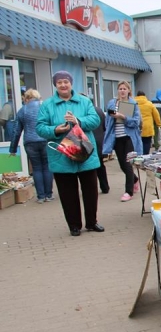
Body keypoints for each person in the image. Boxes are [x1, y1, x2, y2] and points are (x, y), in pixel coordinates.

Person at [36, 70, 103, 236]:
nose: (63, 85)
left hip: (84, 152)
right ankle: (74, 225)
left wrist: (78, 121)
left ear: (71, 83)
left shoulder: (84, 101)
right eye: (59, 82)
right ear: (55, 85)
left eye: (66, 81)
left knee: (90, 191)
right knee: (67, 193)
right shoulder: (47, 105)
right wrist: (55, 129)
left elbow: (96, 120)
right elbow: (40, 127)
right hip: (62, 156)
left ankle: (92, 222)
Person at [9, 89, 54, 203]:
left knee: (37, 168)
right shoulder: (45, 107)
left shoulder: (22, 110)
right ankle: (49, 195)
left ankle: (40, 196)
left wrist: (13, 149)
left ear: (27, 98)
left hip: (30, 142)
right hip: (45, 140)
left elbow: (16, 131)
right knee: (47, 166)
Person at [103, 81, 142, 202]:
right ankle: (135, 180)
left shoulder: (132, 103)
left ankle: (128, 192)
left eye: (125, 89)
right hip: (116, 137)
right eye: (120, 88)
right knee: (121, 164)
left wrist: (123, 117)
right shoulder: (112, 103)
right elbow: (108, 121)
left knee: (127, 163)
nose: (122, 91)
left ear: (129, 90)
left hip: (129, 137)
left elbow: (136, 122)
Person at [79, 93, 109, 194]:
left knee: (88, 167)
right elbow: (105, 127)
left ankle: (90, 189)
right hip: (99, 141)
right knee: (100, 165)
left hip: (87, 142)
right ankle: (105, 187)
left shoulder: (81, 113)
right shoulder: (99, 110)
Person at [135, 90, 161, 155]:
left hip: (137, 126)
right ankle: (145, 155)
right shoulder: (149, 104)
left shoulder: (134, 103)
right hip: (147, 126)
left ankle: (139, 155)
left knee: (138, 142)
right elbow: (156, 114)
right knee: (147, 142)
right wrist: (158, 124)